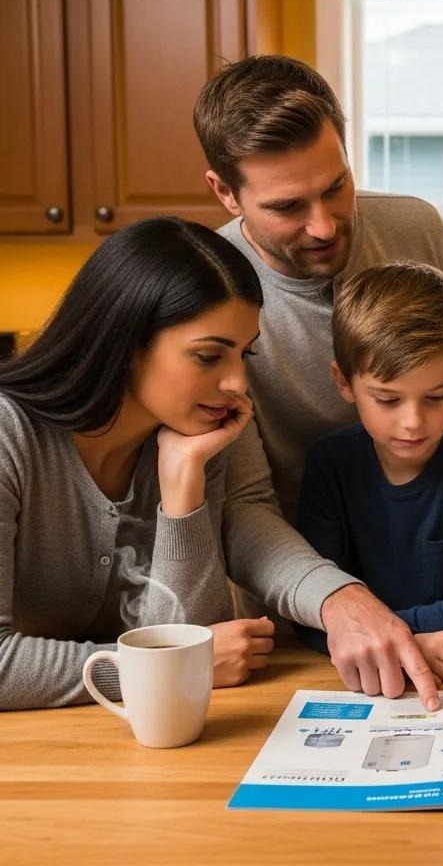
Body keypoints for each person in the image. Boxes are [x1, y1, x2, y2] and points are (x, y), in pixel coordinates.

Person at [0, 219, 377, 710]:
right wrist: (164, 669)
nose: (237, 384)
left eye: (244, 354)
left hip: (142, 727)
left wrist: (183, 490)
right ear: (125, 342)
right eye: (208, 356)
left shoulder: (205, 428)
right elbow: (191, 661)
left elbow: (193, 636)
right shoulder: (9, 436)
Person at [193, 55, 443, 528]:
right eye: (287, 206)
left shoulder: (416, 229)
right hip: (297, 552)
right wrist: (324, 578)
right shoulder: (207, 287)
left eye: (336, 187)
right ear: (225, 192)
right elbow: (247, 499)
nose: (324, 227)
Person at [294, 263, 443, 682]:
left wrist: (384, 633)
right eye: (388, 400)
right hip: (358, 679)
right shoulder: (329, 465)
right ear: (344, 382)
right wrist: (408, 642)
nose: (413, 422)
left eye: (436, 397)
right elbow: (313, 617)